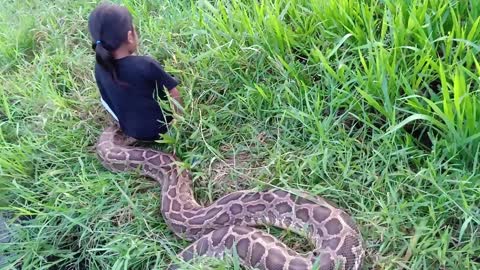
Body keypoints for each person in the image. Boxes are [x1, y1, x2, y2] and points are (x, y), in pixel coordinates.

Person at [88, 2, 182, 141]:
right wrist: (179, 121)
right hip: (163, 129)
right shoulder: (146, 64)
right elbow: (174, 93)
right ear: (130, 35)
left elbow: (106, 101)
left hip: (131, 132)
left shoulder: (100, 67)